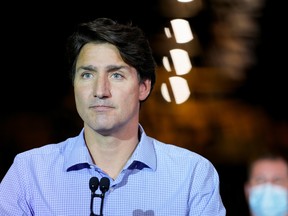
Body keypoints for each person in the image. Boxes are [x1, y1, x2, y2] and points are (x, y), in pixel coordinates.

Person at [0, 17, 226, 215]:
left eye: (116, 75)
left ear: (143, 87)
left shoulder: (191, 175)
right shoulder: (29, 173)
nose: (100, 90)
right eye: (87, 74)